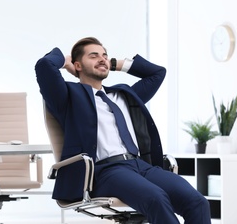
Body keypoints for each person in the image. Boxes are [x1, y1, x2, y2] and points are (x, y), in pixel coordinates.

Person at [35, 37, 211, 224]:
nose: (102, 59)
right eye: (93, 56)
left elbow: (158, 73)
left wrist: (113, 64)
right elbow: (44, 65)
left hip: (141, 166)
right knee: (156, 198)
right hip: (105, 171)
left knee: (198, 202)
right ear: (77, 65)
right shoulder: (68, 96)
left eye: (105, 55)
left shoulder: (124, 94)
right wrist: (65, 60)